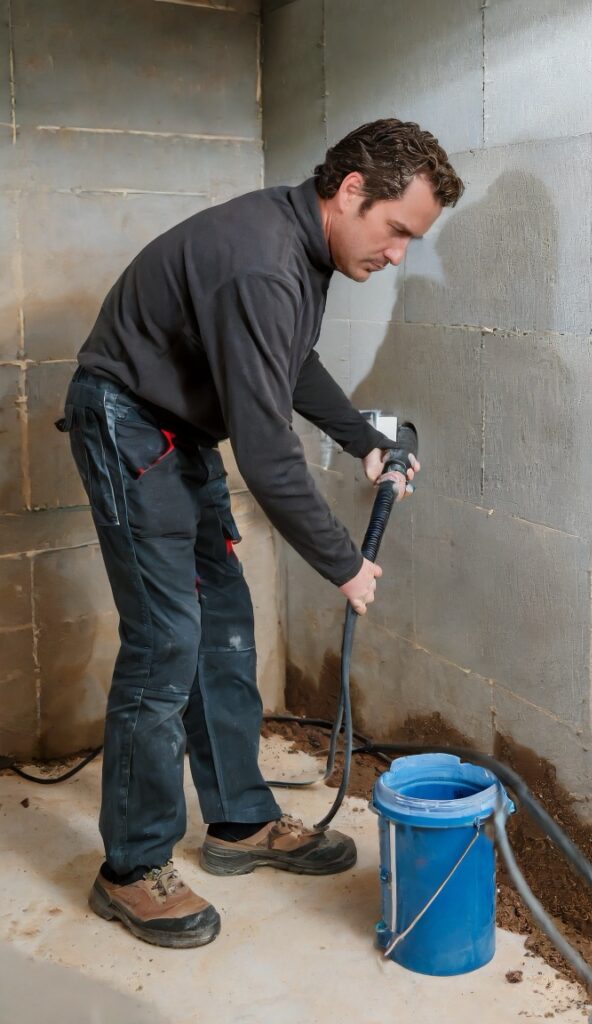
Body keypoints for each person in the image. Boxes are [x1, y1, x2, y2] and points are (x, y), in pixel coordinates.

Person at [57, 119, 464, 948]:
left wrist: (363, 440)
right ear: (352, 190)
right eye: (396, 231)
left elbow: (293, 362)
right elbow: (271, 458)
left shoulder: (299, 250)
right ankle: (130, 869)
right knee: (166, 639)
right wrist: (345, 563)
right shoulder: (262, 263)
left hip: (176, 429)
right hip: (129, 421)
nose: (398, 255)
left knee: (226, 630)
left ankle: (239, 823)